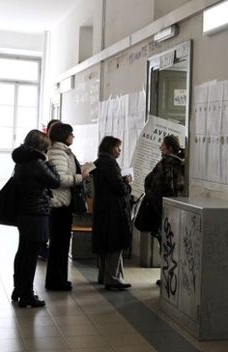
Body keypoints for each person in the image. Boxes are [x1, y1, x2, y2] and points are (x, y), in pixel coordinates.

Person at [11, 130, 61, 307]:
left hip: (24, 211)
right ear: (41, 147)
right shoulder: (37, 162)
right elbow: (55, 181)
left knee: (23, 252)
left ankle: (18, 289)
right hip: (36, 212)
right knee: (31, 255)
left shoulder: (21, 161)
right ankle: (27, 294)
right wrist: (49, 163)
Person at [45, 123, 90, 291]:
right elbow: (60, 179)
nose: (73, 136)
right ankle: (56, 281)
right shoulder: (57, 152)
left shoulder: (62, 151)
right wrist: (81, 177)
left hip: (64, 203)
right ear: (64, 135)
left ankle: (60, 279)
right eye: (71, 133)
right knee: (58, 244)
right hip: (59, 204)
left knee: (62, 244)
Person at [92, 136, 132, 290]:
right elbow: (118, 188)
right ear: (110, 147)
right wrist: (126, 184)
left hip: (103, 208)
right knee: (114, 243)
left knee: (105, 243)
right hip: (113, 209)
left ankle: (104, 276)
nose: (120, 151)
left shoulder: (100, 161)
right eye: (117, 147)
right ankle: (113, 279)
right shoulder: (109, 162)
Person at [140, 135, 185, 243]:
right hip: (178, 209)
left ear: (169, 148)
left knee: (164, 244)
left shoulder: (163, 165)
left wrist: (150, 197)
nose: (160, 147)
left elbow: (152, 184)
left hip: (162, 210)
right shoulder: (182, 165)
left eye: (163, 145)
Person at [38, 119, 61, 261]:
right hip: (45, 196)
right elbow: (55, 179)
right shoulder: (45, 151)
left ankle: (44, 247)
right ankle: (42, 247)